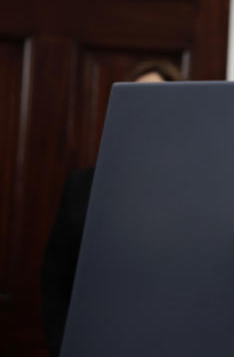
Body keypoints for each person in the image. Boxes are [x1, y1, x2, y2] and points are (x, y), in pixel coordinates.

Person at [41, 60, 183, 355]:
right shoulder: (83, 186)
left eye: (158, 105)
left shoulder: (195, 189)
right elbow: (56, 278)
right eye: (139, 103)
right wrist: (61, 345)